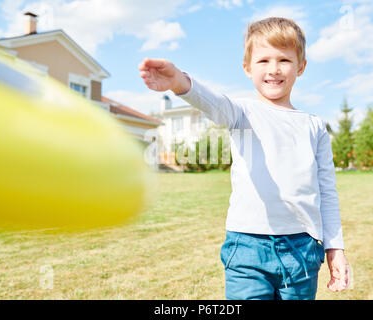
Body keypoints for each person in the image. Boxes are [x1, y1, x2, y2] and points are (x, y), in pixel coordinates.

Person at [139, 17, 349, 300]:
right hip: (247, 248)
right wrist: (180, 82)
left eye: (284, 60)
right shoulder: (241, 113)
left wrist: (335, 248)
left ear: (301, 66)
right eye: (263, 61)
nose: (274, 69)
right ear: (247, 68)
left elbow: (327, 191)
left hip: (302, 252)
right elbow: (214, 103)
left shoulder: (314, 126)